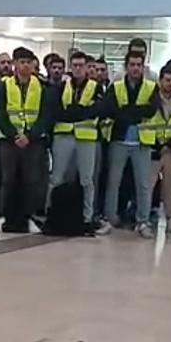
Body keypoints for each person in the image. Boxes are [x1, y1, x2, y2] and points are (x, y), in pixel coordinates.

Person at [0, 47, 52, 233]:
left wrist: (30, 135)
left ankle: (30, 217)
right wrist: (14, 134)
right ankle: (4, 217)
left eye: (28, 62)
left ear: (34, 64)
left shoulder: (41, 86)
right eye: (21, 62)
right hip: (9, 141)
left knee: (31, 180)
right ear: (15, 64)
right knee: (8, 180)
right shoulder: (4, 85)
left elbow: (45, 116)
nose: (25, 66)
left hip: (33, 142)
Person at [101, 51, 157, 235]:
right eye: (132, 64)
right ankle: (110, 218)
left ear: (143, 67)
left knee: (143, 184)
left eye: (138, 65)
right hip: (119, 140)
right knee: (113, 182)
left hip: (142, 142)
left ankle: (143, 221)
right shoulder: (116, 87)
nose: (135, 68)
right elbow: (111, 110)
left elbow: (151, 110)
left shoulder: (151, 87)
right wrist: (134, 113)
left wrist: (126, 112)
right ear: (126, 66)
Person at [48, 50, 103, 234]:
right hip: (63, 136)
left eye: (82, 65)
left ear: (87, 68)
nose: (78, 69)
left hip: (86, 138)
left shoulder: (96, 87)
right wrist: (79, 111)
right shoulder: (62, 87)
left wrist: (74, 112)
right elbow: (56, 111)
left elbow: (97, 110)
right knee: (56, 178)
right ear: (70, 67)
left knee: (87, 180)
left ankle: (87, 218)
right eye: (75, 65)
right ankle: (51, 213)